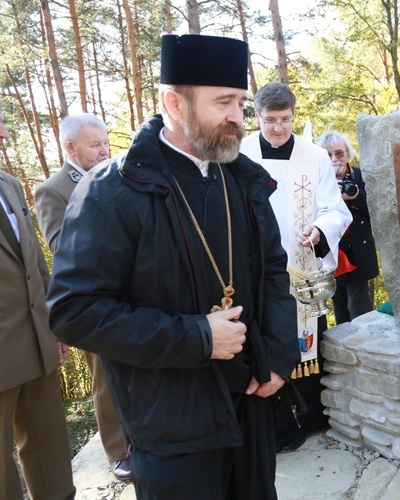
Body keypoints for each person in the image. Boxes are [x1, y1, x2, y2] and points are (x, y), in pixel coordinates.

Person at [47, 34, 299, 499]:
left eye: (241, 103)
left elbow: (273, 274)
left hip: (251, 406)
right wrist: (197, 337)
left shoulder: (241, 179)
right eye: (223, 102)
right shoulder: (113, 189)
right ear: (174, 103)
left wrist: (281, 355)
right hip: (172, 428)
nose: (236, 118)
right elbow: (74, 312)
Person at [240, 83, 351, 452]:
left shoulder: (315, 156)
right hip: (252, 272)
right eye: (270, 120)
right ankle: (262, 429)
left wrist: (319, 229)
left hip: (301, 270)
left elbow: (336, 210)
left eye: (285, 120)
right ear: (256, 116)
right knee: (258, 343)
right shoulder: (237, 153)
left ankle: (304, 421)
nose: (278, 129)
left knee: (304, 343)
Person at [34, 112, 132, 482]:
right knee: (106, 376)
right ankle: (119, 452)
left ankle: (139, 437)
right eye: (96, 145)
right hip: (91, 299)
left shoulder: (115, 176)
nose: (105, 150)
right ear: (71, 147)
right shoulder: (52, 190)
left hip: (128, 291)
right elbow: (61, 246)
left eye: (106, 142)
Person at [0, 109, 76, 500]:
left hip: (35, 340)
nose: (4, 133)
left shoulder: (9, 184)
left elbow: (35, 263)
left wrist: (54, 326)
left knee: (49, 444)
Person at [317, 131, 379, 324]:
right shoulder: (316, 180)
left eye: (339, 153)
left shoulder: (362, 176)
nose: (334, 159)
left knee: (359, 306)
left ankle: (364, 347)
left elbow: (378, 214)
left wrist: (355, 197)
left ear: (348, 154)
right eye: (328, 155)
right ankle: (343, 351)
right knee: (340, 308)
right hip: (334, 253)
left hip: (359, 251)